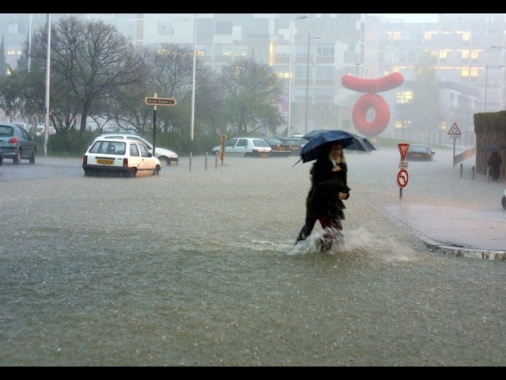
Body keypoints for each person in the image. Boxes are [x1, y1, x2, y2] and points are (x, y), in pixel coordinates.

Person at [295, 142, 350, 252]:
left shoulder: (342, 165)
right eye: (334, 149)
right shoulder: (321, 163)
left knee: (336, 229)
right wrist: (331, 171)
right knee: (310, 226)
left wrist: (346, 194)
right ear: (329, 150)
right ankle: (298, 249)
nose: (336, 151)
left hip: (333, 202)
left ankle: (336, 250)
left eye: (339, 149)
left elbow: (343, 185)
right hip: (317, 201)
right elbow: (319, 183)